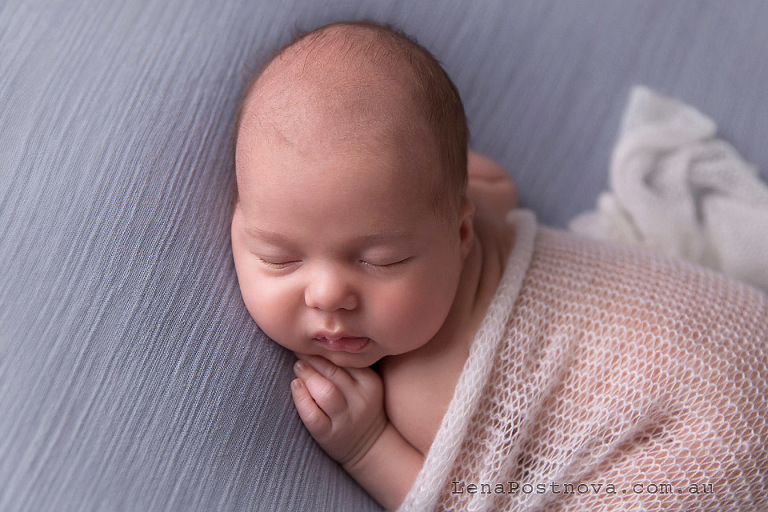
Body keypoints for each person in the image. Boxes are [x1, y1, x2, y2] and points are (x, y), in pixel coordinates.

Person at [230, 21, 768, 512]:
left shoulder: (425, 392)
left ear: (461, 235)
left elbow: (470, 503)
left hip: (708, 466)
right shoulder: (476, 204)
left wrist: (368, 446)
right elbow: (493, 180)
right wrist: (421, 177)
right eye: (281, 257)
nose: (327, 295)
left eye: (381, 261)